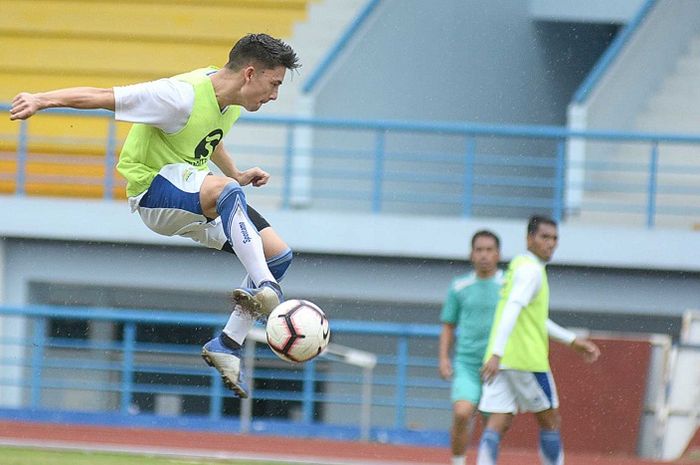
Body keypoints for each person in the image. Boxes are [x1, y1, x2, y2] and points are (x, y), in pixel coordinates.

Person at [9, 33, 301, 399]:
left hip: (193, 191)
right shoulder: (178, 96)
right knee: (227, 193)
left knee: (278, 254)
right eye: (274, 84)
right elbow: (105, 97)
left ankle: (227, 344)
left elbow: (211, 138)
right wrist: (42, 99)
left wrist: (237, 172)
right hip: (153, 192)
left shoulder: (230, 100)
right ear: (249, 73)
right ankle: (266, 289)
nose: (274, 94)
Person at [477, 215, 601, 465]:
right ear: (529, 239)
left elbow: (534, 319)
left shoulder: (518, 266)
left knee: (497, 422)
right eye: (544, 237)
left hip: (501, 360)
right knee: (551, 420)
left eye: (555, 238)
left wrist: (571, 341)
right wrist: (498, 353)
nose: (551, 243)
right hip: (525, 360)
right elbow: (512, 308)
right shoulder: (532, 272)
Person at [439, 230, 503, 465]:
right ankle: (458, 461)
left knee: (491, 426)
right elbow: (448, 324)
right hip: (466, 364)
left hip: (498, 368)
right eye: (479, 250)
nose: (484, 255)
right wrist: (444, 358)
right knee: (462, 413)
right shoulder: (459, 286)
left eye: (489, 250)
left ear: (498, 254)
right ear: (471, 254)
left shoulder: (508, 285)